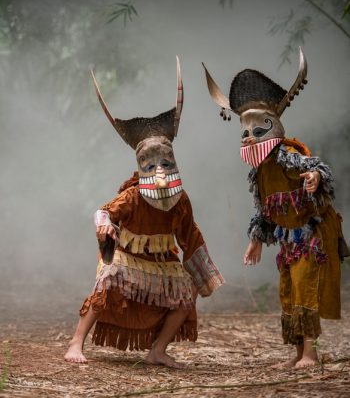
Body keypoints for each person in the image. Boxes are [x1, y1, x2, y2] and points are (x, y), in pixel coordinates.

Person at [64, 57, 224, 368]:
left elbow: (189, 234)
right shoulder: (133, 196)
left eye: (165, 163)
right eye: (151, 166)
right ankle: (75, 341)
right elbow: (104, 212)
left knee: (184, 296)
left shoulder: (180, 199)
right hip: (127, 256)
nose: (160, 171)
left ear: (174, 163)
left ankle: (157, 351)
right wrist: (105, 228)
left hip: (163, 262)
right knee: (109, 280)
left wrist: (203, 276)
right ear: (141, 167)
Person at [202, 48, 348, 369]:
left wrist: (312, 177)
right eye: (244, 133)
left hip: (310, 236)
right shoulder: (259, 170)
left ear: (273, 127)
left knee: (304, 290)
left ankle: (310, 352)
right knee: (288, 292)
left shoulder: (286, 154)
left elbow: (316, 167)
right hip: (287, 241)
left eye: (258, 131)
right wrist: (256, 238)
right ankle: (298, 352)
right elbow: (264, 208)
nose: (249, 139)